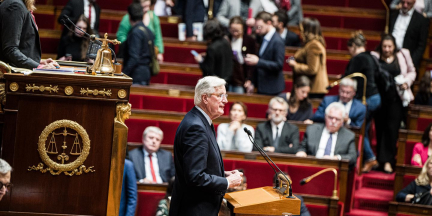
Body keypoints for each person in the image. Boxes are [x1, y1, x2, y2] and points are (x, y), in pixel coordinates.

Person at [169, 76, 243, 216]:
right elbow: (195, 177)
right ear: (205, 98)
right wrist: (227, 182)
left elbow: (196, 167)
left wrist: (222, 174)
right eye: (220, 95)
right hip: (194, 210)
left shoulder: (200, 121)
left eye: (225, 95)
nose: (225, 101)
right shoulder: (196, 127)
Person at [371, 34, 416, 173]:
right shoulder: (375, 56)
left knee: (391, 130)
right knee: (380, 129)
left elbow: (412, 72)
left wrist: (406, 82)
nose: (387, 49)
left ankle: (388, 162)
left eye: (390, 46)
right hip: (380, 99)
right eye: (384, 46)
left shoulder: (403, 54)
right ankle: (379, 160)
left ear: (394, 46)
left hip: (396, 99)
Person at [344, 31, 381, 173]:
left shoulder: (358, 59)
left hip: (366, 98)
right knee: (364, 128)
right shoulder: (371, 56)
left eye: (349, 49)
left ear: (353, 46)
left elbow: (348, 79)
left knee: (358, 129)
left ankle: (370, 158)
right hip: (376, 96)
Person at [0, 0, 59, 69]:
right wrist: (38, 67)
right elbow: (10, 50)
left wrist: (37, 62)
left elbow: (22, 45)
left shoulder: (18, 4)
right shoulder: (15, 6)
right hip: (13, 75)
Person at [296, 102, 357, 168]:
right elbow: (302, 147)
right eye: (331, 118)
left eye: (337, 119)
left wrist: (335, 158)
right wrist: (301, 152)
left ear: (342, 121)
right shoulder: (312, 130)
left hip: (334, 169)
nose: (333, 121)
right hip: (312, 166)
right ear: (325, 117)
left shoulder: (349, 136)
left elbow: (352, 157)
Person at [244, 11, 285, 95]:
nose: (257, 31)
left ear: (269, 23)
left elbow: (278, 65)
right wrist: (252, 81)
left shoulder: (278, 41)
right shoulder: (263, 37)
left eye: (260, 27)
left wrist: (258, 61)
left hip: (272, 88)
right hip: (262, 85)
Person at [288, 17, 328, 98]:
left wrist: (295, 65)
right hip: (310, 87)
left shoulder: (313, 45)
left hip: (313, 89)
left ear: (306, 30)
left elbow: (312, 69)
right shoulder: (310, 44)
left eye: (301, 30)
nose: (299, 32)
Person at [390, 0, 429, 68]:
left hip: (407, 60)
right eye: (403, 2)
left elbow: (421, 46)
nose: (405, 5)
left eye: (408, 3)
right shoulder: (393, 15)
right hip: (390, 56)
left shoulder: (421, 20)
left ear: (414, 3)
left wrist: (412, 63)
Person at [123, 2, 154, 86]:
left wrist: (123, 74)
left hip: (136, 75)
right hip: (146, 73)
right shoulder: (149, 31)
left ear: (129, 17)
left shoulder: (135, 33)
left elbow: (134, 58)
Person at [194, 19, 233, 85]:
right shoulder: (226, 42)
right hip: (227, 80)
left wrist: (200, 60)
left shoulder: (212, 48)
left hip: (215, 83)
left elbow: (208, 70)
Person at [228, 16, 257, 94]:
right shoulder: (227, 39)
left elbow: (253, 64)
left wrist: (250, 79)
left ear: (243, 29)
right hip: (228, 76)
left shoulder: (249, 41)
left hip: (242, 78)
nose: (235, 33)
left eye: (237, 31)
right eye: (233, 30)